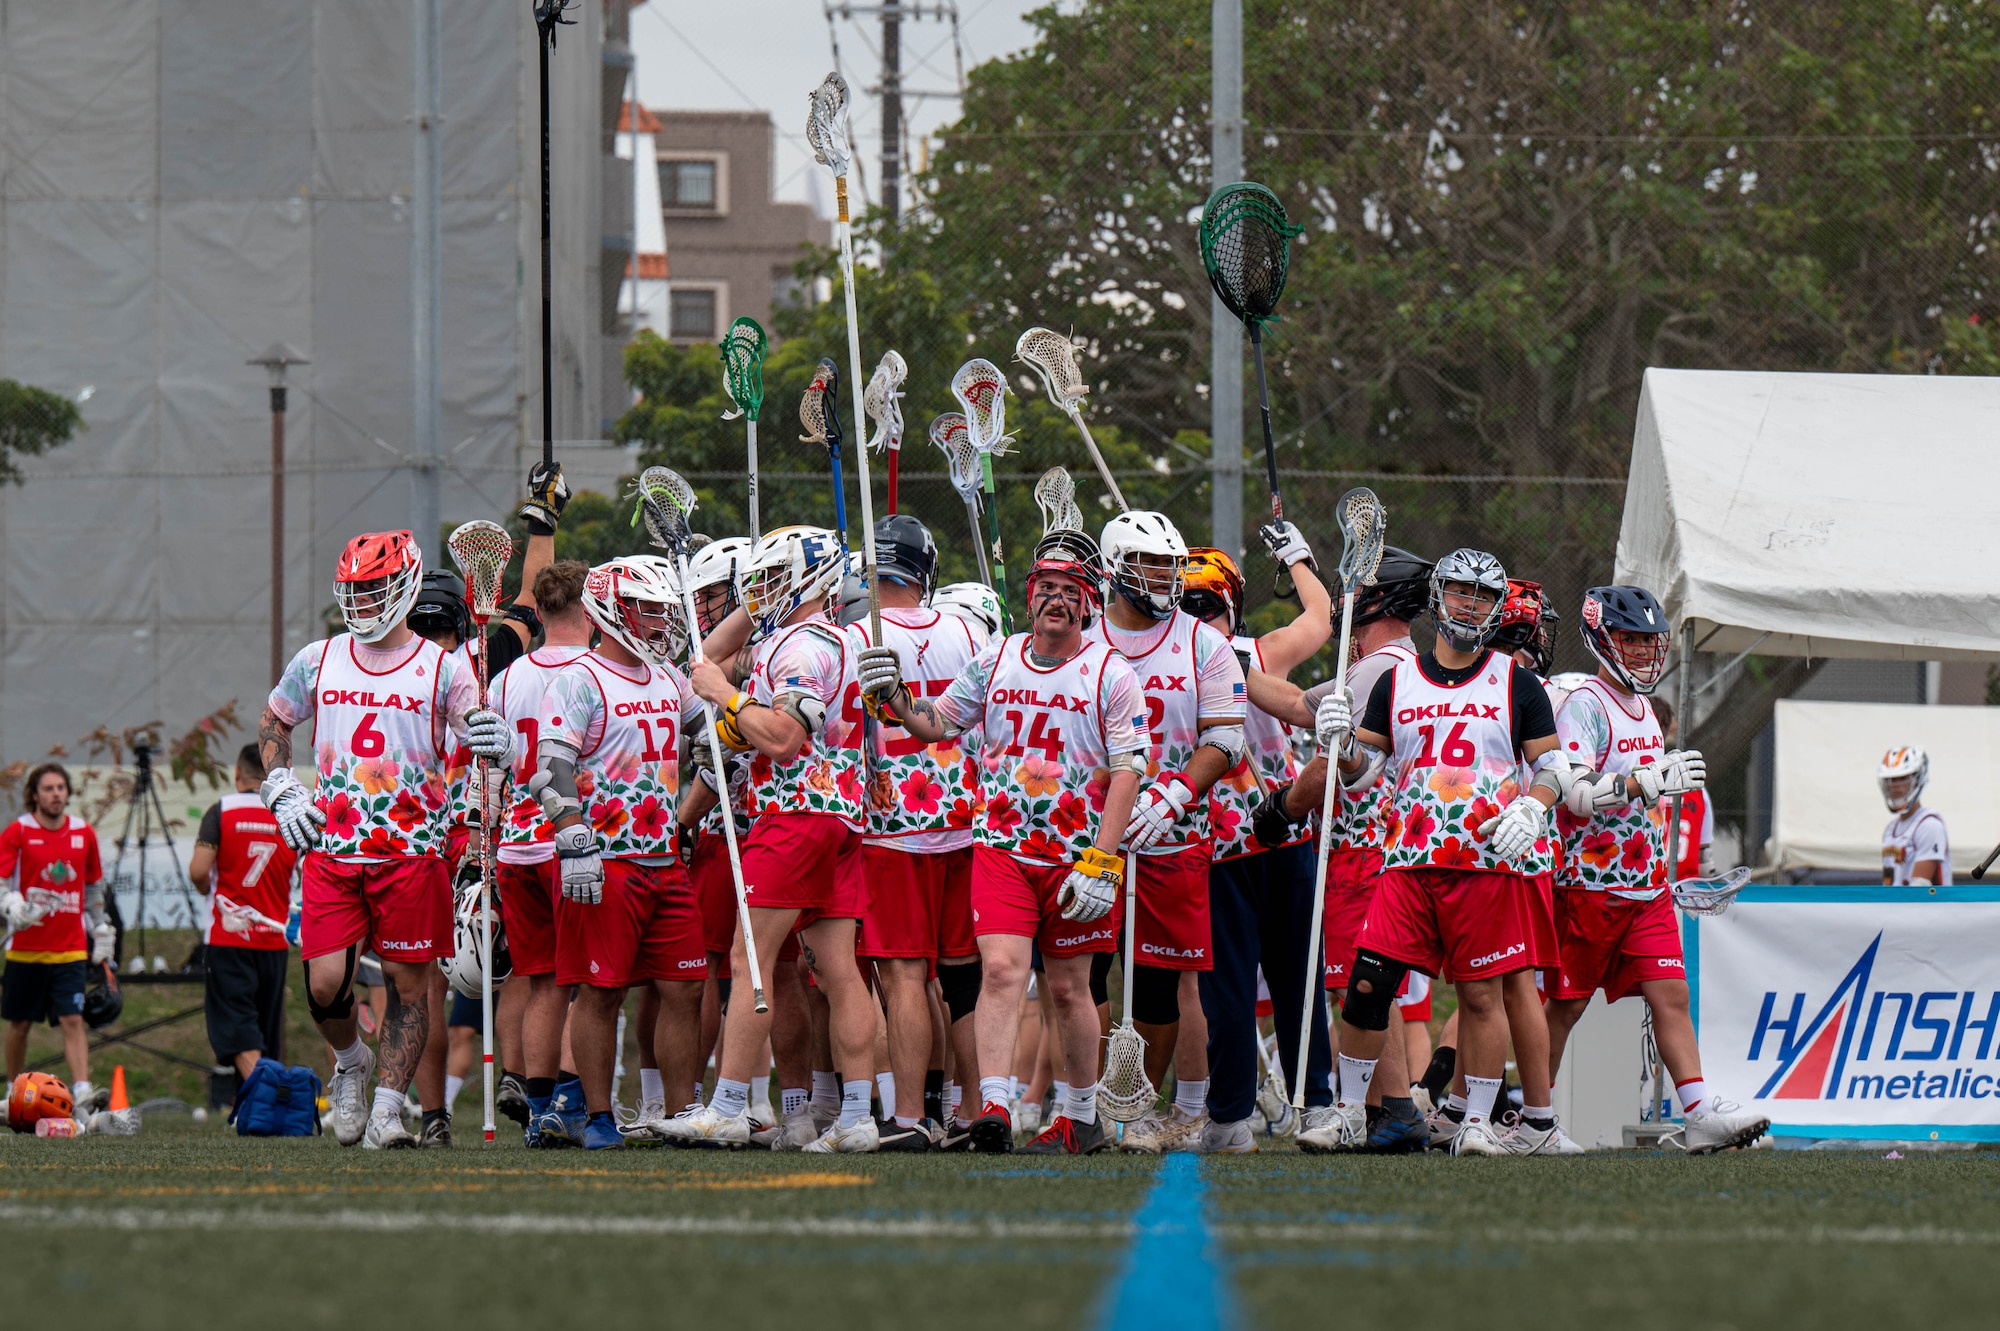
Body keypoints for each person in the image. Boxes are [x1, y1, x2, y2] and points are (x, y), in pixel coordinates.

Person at [860, 525, 1146, 1155]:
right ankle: (994, 1103)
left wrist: (1103, 859)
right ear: (1030, 594)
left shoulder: (1111, 673)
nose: (1057, 601)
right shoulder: (995, 658)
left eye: (1071, 592)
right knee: (999, 971)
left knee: (1070, 987)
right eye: (1047, 588)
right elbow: (940, 723)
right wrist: (899, 701)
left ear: (1089, 603)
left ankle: (1079, 1114)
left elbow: (1129, 769)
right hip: (1003, 849)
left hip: (1077, 859)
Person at [257, 529, 512, 1148]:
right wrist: (281, 789)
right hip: (333, 849)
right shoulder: (318, 658)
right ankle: (351, 1064)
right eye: (355, 591)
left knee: (407, 982)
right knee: (324, 984)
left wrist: (496, 742)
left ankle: (389, 1109)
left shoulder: (443, 668)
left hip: (412, 850)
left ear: (402, 588)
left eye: (374, 589)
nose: (364, 602)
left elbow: (484, 743)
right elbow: (275, 722)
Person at [1314, 549, 1567, 1157]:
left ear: (1496, 605)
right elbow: (1363, 772)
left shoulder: (1515, 680)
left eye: (1482, 595)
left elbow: (1553, 764)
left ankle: (1475, 1120)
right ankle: (1350, 1111)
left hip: (1484, 859)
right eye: (1460, 591)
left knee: (1480, 995)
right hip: (1408, 854)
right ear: (1438, 597)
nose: (1470, 604)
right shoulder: (1398, 679)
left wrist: (1533, 806)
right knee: (1368, 982)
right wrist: (1340, 743)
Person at [668, 526, 878, 1152]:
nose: (759, 593)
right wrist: (729, 665)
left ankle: (730, 1104)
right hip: (838, 816)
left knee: (748, 962)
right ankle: (858, 1118)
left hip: (795, 814)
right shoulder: (831, 637)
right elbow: (707, 657)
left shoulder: (798, 646)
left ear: (811, 579)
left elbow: (785, 737)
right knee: (838, 972)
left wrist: (726, 695)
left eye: (772, 578)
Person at [1541, 585, 1769, 1154]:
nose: (1643, 652)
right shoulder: (1586, 702)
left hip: (1645, 887)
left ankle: (1697, 1112)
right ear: (1602, 639)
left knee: (1671, 994)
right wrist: (1644, 782)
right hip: (1588, 883)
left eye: (1649, 641)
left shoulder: (1644, 707)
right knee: (1565, 1006)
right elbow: (1571, 791)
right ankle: (1534, 1116)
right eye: (1630, 640)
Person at [1248, 546, 1435, 1153]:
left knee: (1362, 981)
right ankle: (1387, 1107)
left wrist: (1282, 806)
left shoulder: (1380, 667)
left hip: (1360, 848)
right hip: (1379, 848)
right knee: (1373, 982)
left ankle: (1394, 1108)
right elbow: (1304, 707)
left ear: (1378, 598)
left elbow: (1320, 747)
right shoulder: (1393, 663)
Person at [530, 556, 708, 1151]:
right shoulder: (580, 679)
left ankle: (684, 1112)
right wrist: (573, 835)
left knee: (685, 988)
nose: (660, 621)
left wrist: (719, 743)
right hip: (603, 864)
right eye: (648, 609)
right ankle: (600, 1115)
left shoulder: (670, 677)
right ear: (611, 609)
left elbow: (703, 733)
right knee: (601, 992)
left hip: (664, 859)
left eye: (663, 609)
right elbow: (551, 768)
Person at [1089, 511, 1246, 1154]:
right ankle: (1086, 1099)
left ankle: (1138, 1108)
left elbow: (1226, 739)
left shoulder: (1202, 643)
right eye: (1150, 564)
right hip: (1088, 833)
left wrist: (1175, 794)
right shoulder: (1084, 638)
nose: (1163, 578)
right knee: (1083, 973)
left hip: (1172, 835)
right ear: (1114, 568)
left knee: (1157, 982)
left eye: (1169, 565)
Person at [1179, 527, 1334, 1154]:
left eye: (1209, 606)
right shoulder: (1165, 662)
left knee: (1300, 979)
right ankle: (1229, 1113)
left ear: (1232, 608)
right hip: (1212, 849)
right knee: (1228, 989)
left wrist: (1296, 557)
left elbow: (1322, 619)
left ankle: (1318, 1103)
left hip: (1283, 836)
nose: (1200, 620)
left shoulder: (1257, 654)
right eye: (1187, 607)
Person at [846, 515, 985, 1151]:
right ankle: (974, 1110)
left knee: (904, 976)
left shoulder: (854, 637)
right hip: (963, 821)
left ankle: (907, 1119)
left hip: (891, 827)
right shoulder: (967, 630)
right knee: (963, 979)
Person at [489, 560, 595, 1144]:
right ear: (588, 608)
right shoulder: (598, 671)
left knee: (540, 980)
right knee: (586, 982)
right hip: (569, 838)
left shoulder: (508, 678)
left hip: (515, 843)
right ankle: (569, 1103)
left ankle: (537, 1105)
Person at [189, 745, 300, 1087]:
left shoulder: (221, 811)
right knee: (264, 1028)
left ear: (237, 774)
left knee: (237, 1027)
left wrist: (208, 890)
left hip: (229, 936)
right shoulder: (289, 814)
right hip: (274, 939)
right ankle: (251, 1107)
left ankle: (272, 1096)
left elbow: (198, 870)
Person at [0, 763, 109, 1109]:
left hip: (70, 948)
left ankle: (81, 1092)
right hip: (26, 950)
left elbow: (93, 885)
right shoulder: (18, 831)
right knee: (19, 1024)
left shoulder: (83, 832)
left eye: (60, 787)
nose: (56, 794)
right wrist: (11, 904)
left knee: (73, 1019)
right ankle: (13, 1091)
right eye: (48, 788)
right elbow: (2, 882)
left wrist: (101, 924)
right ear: (35, 794)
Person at [1650, 698, 1714, 880]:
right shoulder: (1694, 785)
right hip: (1686, 889)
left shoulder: (1630, 781)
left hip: (1644, 888)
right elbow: (1705, 857)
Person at [1876, 745, 1947, 887]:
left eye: (1902, 778)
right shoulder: (1891, 829)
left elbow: (1920, 886)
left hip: (1924, 907)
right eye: (1890, 780)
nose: (1895, 786)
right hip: (1896, 906)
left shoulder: (1929, 825)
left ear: (1918, 778)